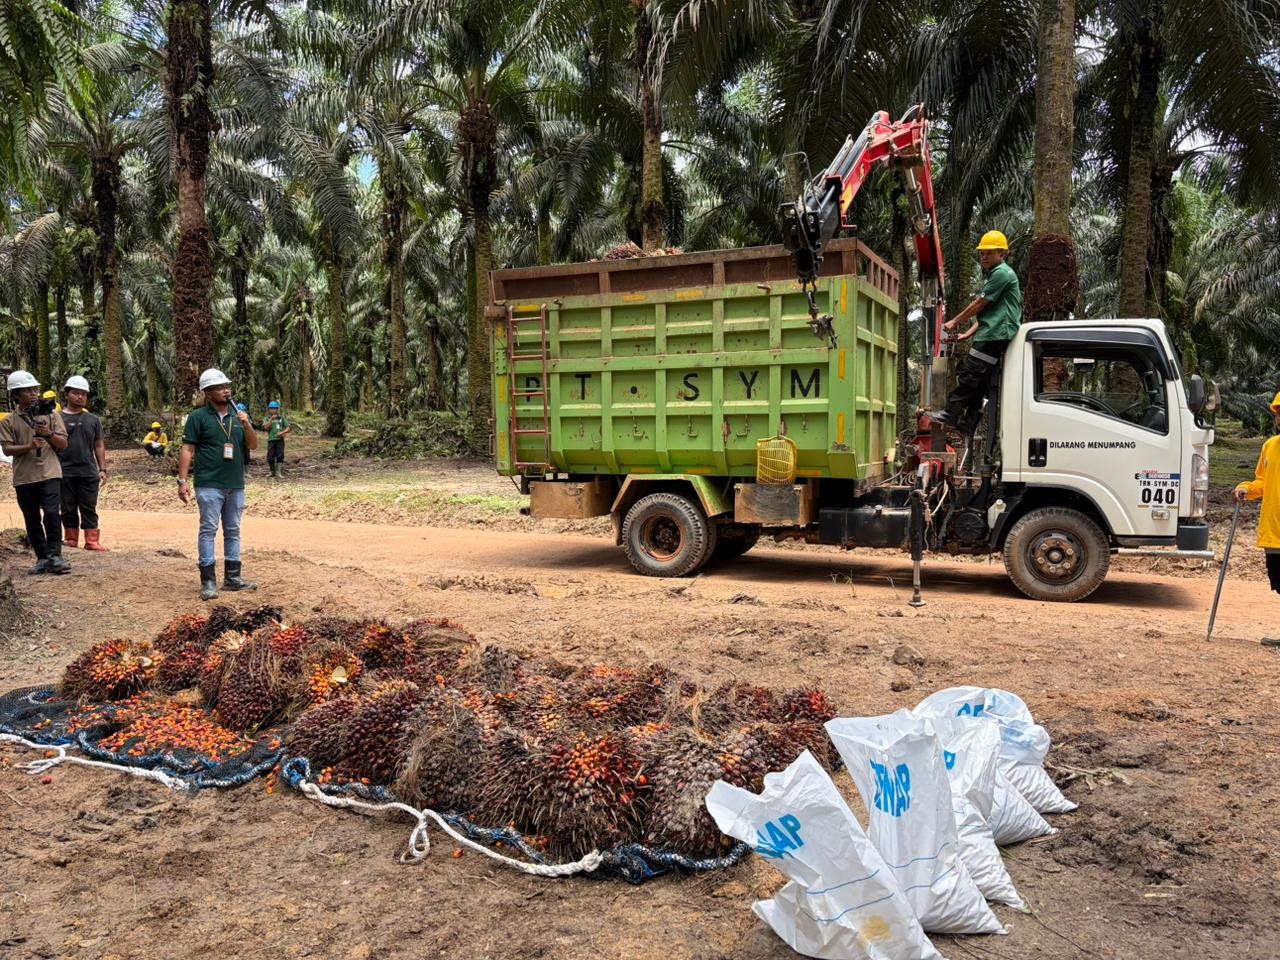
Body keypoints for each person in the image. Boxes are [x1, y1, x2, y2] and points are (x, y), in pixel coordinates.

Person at [929, 230, 1023, 434]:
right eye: (982, 253)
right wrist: (967, 334)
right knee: (982, 385)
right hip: (995, 333)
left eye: (989, 253)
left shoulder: (1001, 273)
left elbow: (980, 304)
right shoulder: (997, 274)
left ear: (1002, 254)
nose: (984, 257)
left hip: (994, 336)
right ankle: (969, 423)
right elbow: (990, 313)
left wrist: (954, 321)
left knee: (970, 375)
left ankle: (950, 414)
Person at [177, 368, 259, 600]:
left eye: (227, 386)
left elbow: (253, 445)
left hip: (235, 484)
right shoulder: (198, 418)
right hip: (209, 483)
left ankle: (233, 578)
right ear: (207, 393)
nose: (226, 390)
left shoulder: (237, 417)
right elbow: (187, 449)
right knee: (208, 530)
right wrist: (182, 481)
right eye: (220, 388)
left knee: (233, 530)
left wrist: (247, 424)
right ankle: (208, 582)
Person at [0, 370, 70, 575]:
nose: (33, 394)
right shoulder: (8, 421)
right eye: (27, 390)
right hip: (24, 477)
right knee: (31, 517)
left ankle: (56, 555)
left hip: (50, 472)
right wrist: (29, 446)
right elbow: (6, 449)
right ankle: (42, 557)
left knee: (51, 513)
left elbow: (63, 444)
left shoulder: (52, 416)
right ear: (15, 395)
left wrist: (47, 433)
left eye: (34, 390)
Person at [1234, 391, 1280, 646]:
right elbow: (1262, 481)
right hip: (1274, 529)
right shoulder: (1270, 446)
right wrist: (1246, 489)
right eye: (1278, 412)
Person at [57, 375, 109, 551]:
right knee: (67, 506)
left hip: (88, 471)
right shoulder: (57, 418)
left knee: (89, 506)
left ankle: (92, 540)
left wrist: (102, 468)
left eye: (83, 394)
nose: (80, 397)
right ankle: (71, 539)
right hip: (64, 471)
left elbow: (99, 444)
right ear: (67, 394)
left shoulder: (93, 420)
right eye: (76, 393)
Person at [264, 400, 291, 478]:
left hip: (280, 440)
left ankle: (278, 473)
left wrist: (282, 433)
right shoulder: (267, 418)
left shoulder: (281, 418)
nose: (273, 410)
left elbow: (289, 427)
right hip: (271, 440)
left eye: (275, 408)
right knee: (270, 456)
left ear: (277, 409)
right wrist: (271, 420)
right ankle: (272, 472)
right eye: (271, 408)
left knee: (280, 455)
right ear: (269, 410)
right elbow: (265, 428)